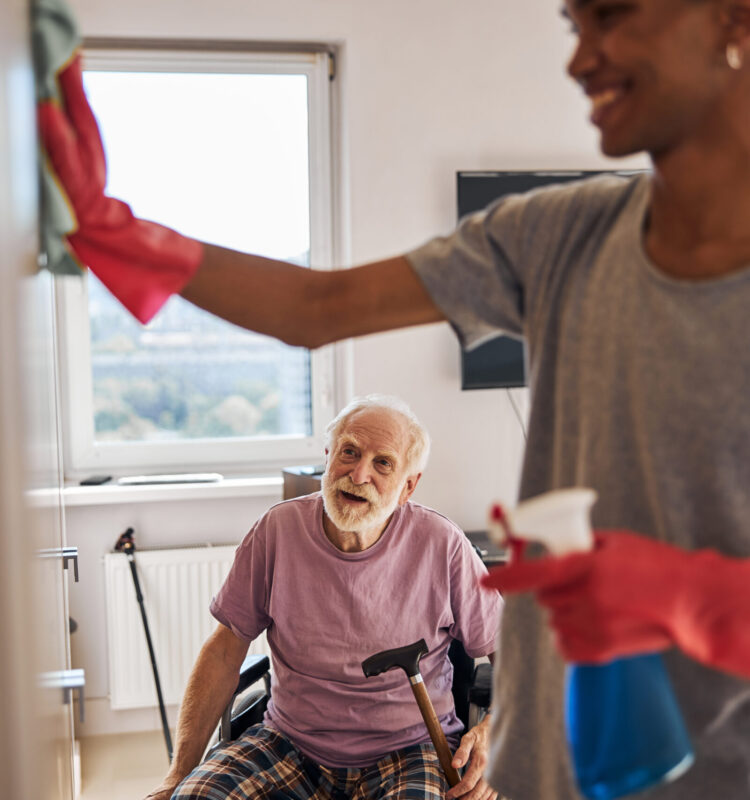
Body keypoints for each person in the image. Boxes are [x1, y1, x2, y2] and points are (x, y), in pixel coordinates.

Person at [36, 0, 750, 797]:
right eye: (574, 26)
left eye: (610, 16)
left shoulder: (438, 545)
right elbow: (317, 308)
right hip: (562, 755)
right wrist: (110, 228)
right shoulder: (565, 233)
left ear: (734, 18)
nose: (579, 61)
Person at [145, 395, 502, 800]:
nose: (359, 473)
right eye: (349, 452)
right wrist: (178, 775)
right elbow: (225, 651)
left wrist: (496, 732)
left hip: (410, 748)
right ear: (329, 457)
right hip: (290, 743)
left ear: (408, 486)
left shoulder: (443, 545)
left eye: (382, 462)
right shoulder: (278, 531)